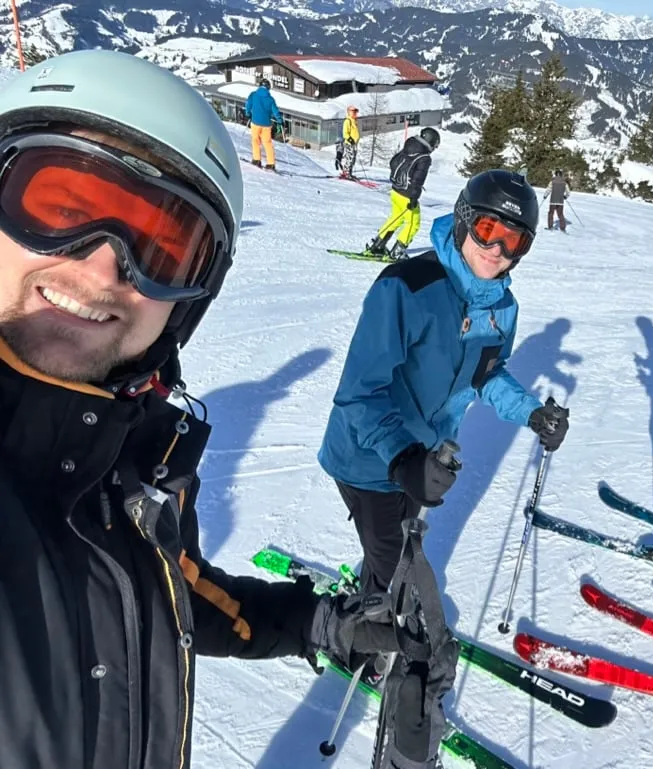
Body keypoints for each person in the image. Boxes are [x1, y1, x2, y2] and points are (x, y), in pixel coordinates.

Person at [0, 50, 456, 769]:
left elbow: (173, 595)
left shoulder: (136, 461)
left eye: (158, 246)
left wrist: (319, 623)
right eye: (60, 208)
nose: (99, 268)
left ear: (191, 302)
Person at [320, 169, 570, 597]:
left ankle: (373, 594)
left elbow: (486, 374)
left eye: (514, 240)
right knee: (396, 566)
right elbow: (359, 393)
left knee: (400, 546)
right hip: (369, 459)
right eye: (488, 229)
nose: (497, 250)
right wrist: (402, 459)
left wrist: (531, 412)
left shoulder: (502, 307)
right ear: (463, 219)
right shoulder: (406, 287)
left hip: (427, 460)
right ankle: (364, 639)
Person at [367, 127, 441, 261]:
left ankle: (377, 246)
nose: (434, 149)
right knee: (413, 223)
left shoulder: (409, 146)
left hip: (396, 190)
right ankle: (397, 252)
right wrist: (413, 197)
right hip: (407, 195)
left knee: (396, 218)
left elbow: (393, 162)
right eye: (435, 145)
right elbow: (418, 179)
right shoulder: (424, 158)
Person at [245, 78, 283, 171]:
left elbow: (248, 105)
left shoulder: (253, 95)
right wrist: (280, 120)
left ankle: (257, 159)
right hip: (266, 124)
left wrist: (248, 114)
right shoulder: (270, 99)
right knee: (267, 143)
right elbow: (275, 111)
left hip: (255, 122)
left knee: (255, 141)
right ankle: (271, 163)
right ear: (268, 87)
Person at [336, 104, 360, 178]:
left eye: (356, 111)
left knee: (353, 159)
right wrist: (351, 140)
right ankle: (346, 173)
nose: (355, 113)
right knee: (349, 158)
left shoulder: (354, 121)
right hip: (349, 143)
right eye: (353, 111)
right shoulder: (348, 121)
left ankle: (349, 173)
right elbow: (345, 133)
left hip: (354, 144)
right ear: (349, 112)